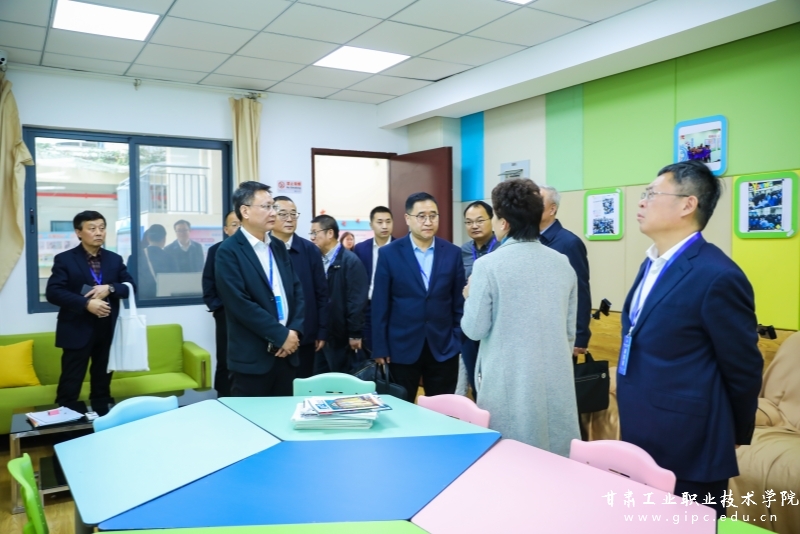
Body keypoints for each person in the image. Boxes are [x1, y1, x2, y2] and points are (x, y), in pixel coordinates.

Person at [618, 160, 762, 517]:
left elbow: (743, 367)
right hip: (643, 428)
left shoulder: (718, 275)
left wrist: (732, 431)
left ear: (688, 204)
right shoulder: (652, 262)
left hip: (690, 442)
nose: (641, 201)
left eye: (652, 194)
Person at [461, 179, 580, 456]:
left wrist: (469, 296)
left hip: (508, 380)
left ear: (503, 223)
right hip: (555, 379)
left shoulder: (487, 265)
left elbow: (474, 329)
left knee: (511, 460)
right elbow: (569, 331)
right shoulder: (562, 263)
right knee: (555, 458)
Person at [214, 182, 305, 397]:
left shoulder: (278, 246)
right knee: (250, 417)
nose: (273, 213)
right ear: (245, 211)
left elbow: (297, 292)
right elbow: (240, 304)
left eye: (273, 207)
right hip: (253, 360)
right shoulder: (228, 251)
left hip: (287, 353)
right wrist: (280, 335)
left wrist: (294, 331)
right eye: (266, 207)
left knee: (284, 414)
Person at [371, 192, 465, 399]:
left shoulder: (452, 253)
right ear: (407, 219)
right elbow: (380, 304)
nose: (428, 222)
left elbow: (459, 303)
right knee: (400, 408)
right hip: (401, 348)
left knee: (442, 410)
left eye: (433, 216)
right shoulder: (389, 253)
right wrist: (380, 347)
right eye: (421, 216)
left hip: (443, 348)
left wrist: (456, 339)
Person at [45, 211, 136, 409]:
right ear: (79, 232)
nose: (98, 232)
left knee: (102, 382)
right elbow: (53, 292)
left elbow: (130, 287)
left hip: (107, 328)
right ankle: (66, 424)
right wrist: (86, 303)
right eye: (92, 228)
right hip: (76, 329)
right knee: (70, 383)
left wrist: (110, 288)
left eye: (102, 228)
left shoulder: (114, 259)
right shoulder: (65, 259)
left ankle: (102, 420)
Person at [271, 196, 329, 379]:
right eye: (283, 214)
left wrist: (322, 331)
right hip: (270, 335)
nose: (289, 219)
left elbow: (321, 293)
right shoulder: (263, 249)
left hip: (305, 335)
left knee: (302, 385)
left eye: (293, 214)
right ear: (271, 215)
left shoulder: (310, 250)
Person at [309, 215, 368, 374]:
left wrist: (355, 333)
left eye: (315, 232)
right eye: (311, 233)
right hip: (321, 334)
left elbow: (356, 301)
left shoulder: (350, 261)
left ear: (330, 233)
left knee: (340, 380)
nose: (312, 237)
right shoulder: (316, 259)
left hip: (342, 337)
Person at [538, 185, 592, 355]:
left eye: (538, 201)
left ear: (552, 209)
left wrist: (580, 335)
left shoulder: (569, 243)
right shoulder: (529, 240)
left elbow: (580, 291)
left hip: (560, 332)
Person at [459, 200, 498, 398]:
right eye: (469, 222)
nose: (474, 226)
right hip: (469, 326)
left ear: (492, 220)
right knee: (475, 383)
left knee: (494, 384)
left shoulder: (502, 248)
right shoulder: (462, 252)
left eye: (480, 220)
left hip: (496, 329)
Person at [201, 211, 240, 397]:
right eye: (234, 224)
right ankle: (223, 396)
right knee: (224, 357)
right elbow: (208, 282)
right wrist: (217, 307)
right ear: (226, 229)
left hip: (250, 315)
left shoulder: (255, 250)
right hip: (225, 314)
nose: (238, 228)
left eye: (240, 224)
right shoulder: (216, 250)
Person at [353, 206, 393, 353]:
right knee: (369, 353)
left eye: (388, 221)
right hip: (368, 307)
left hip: (393, 307)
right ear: (371, 225)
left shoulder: (401, 248)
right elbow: (356, 284)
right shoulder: (360, 249)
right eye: (380, 222)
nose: (384, 226)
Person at [138, 224, 177, 299]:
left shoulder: (136, 257)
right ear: (164, 239)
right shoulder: (169, 258)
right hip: (164, 299)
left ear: (148, 238)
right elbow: (174, 281)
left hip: (141, 300)